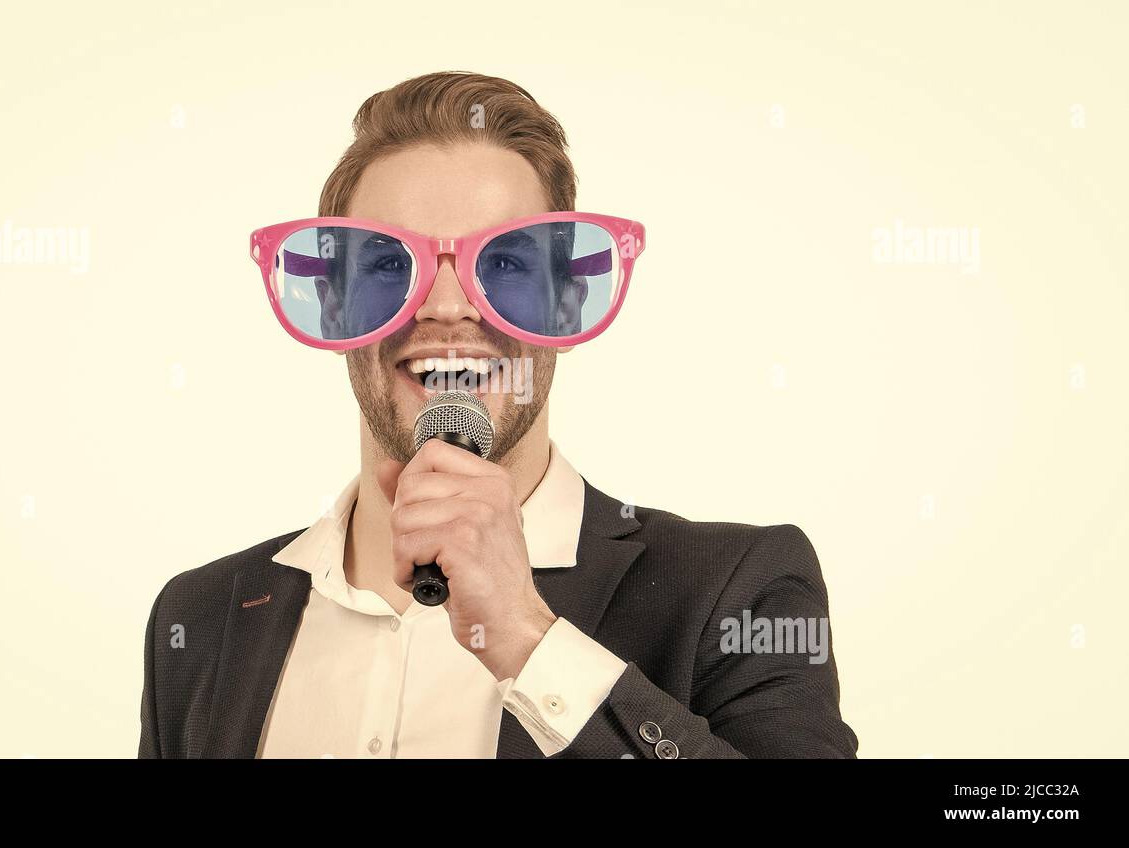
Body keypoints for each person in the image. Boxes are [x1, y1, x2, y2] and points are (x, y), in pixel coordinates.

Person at [139, 71, 858, 759]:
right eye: (389, 264)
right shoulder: (200, 616)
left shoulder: (739, 587)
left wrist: (525, 636)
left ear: (567, 305)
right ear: (333, 306)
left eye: (507, 264)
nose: (447, 307)